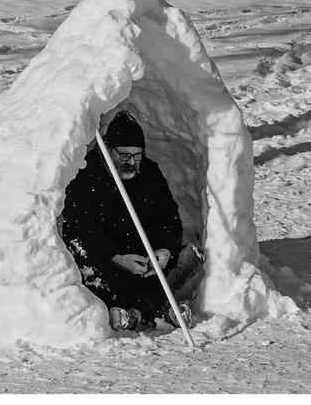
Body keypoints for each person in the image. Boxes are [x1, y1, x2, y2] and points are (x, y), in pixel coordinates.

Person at [61, 110, 204, 331]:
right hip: (109, 267)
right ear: (107, 150)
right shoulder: (86, 173)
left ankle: (136, 313)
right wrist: (115, 258)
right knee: (80, 250)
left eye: (137, 155)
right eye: (124, 155)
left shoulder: (149, 173)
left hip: (147, 268)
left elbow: (169, 219)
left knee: (192, 254)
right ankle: (159, 308)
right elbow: (79, 227)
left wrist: (163, 251)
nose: (132, 162)